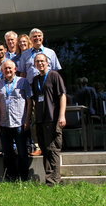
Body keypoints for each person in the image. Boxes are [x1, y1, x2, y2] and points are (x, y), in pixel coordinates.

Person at [30, 53, 67, 186]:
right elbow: (34, 100)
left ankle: (54, 180)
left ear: (47, 62)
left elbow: (62, 95)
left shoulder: (54, 76)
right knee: (45, 149)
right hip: (40, 120)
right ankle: (49, 178)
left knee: (53, 149)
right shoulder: (35, 80)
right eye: (37, 61)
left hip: (53, 118)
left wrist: (62, 115)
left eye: (42, 61)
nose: (40, 63)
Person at [0, 60, 32, 181]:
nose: (8, 70)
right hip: (4, 123)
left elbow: (30, 102)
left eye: (10, 68)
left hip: (19, 122)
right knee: (8, 153)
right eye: (5, 69)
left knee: (22, 152)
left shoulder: (23, 82)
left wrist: (27, 119)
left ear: (15, 69)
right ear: (2, 71)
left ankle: (24, 177)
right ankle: (11, 177)